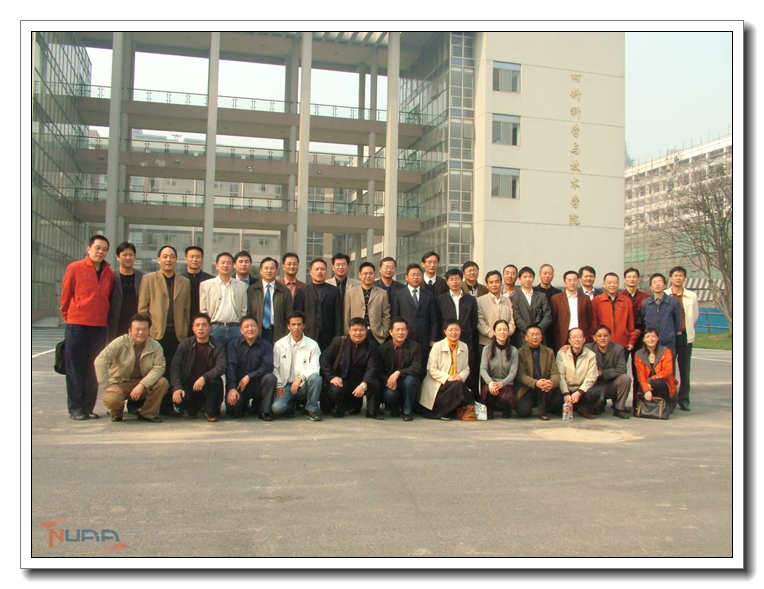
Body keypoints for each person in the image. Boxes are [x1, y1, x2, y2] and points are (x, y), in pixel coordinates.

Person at [60, 235, 115, 420]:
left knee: (93, 368)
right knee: (75, 368)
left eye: (104, 249)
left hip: (99, 327)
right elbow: (65, 296)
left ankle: (88, 407)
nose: (101, 252)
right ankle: (76, 408)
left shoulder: (108, 272)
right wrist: (70, 317)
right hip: (77, 325)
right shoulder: (75, 268)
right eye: (97, 248)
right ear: (89, 248)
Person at [138, 245, 191, 416]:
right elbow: (143, 309)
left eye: (172, 256)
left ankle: (168, 407)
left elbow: (187, 310)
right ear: (159, 259)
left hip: (177, 334)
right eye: (165, 256)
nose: (168, 260)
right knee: (153, 370)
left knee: (173, 370)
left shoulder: (184, 282)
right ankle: (148, 406)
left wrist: (185, 329)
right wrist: (146, 331)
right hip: (156, 333)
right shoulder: (149, 279)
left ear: (176, 260)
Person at [95, 314, 169, 423]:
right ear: (130, 331)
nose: (141, 332)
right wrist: (106, 385)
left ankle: (147, 413)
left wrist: (142, 384)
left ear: (149, 331)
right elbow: (100, 361)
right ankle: (116, 413)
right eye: (137, 329)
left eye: (144, 329)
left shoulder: (155, 345)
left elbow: (159, 368)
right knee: (112, 400)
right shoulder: (120, 342)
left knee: (162, 383)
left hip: (143, 382)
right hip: (121, 382)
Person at [320, 317, 383, 419]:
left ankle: (372, 412)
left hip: (360, 380)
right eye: (354, 330)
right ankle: (340, 409)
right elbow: (324, 359)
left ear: (366, 331)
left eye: (361, 330)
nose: (358, 333)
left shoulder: (372, 345)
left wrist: (364, 385)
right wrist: (332, 377)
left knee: (375, 383)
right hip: (342, 379)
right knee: (336, 389)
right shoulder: (338, 342)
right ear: (349, 330)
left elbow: (372, 368)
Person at [169, 313, 227, 422]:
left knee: (216, 384)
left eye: (204, 325)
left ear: (210, 327)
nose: (201, 328)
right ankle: (192, 410)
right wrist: (176, 387)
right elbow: (175, 367)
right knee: (187, 406)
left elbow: (222, 366)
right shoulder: (185, 344)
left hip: (209, 383)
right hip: (189, 383)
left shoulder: (217, 345)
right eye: (197, 325)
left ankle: (209, 412)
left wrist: (205, 377)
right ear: (193, 328)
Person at [418, 320, 476, 421]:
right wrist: (448, 378)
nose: (454, 332)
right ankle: (470, 406)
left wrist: (461, 376)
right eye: (450, 330)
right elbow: (431, 369)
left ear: (461, 331)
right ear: (445, 331)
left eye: (457, 330)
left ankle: (464, 409)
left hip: (456, 382)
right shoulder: (437, 346)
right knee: (459, 387)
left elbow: (466, 368)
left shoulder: (464, 346)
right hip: (439, 384)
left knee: (459, 385)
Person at [271, 311, 323, 421]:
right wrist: (279, 385)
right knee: (277, 408)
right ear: (288, 326)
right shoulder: (279, 345)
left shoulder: (312, 345)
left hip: (303, 385)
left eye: (299, 324)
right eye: (293, 324)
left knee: (316, 378)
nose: (296, 327)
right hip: (285, 385)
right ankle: (290, 405)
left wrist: (300, 379)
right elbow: (275, 368)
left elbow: (314, 368)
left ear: (304, 325)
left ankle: (311, 409)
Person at [225, 316, 277, 420]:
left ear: (258, 328)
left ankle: (264, 411)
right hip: (239, 386)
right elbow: (230, 368)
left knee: (271, 378)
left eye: (253, 326)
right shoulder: (233, 345)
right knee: (234, 409)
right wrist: (232, 388)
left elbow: (268, 366)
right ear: (241, 330)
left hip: (257, 384)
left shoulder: (266, 345)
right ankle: (243, 404)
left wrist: (249, 376)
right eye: (246, 326)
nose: (250, 329)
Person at [392, 263, 437, 375]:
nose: (416, 277)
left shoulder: (429, 295)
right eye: (413, 275)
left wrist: (433, 337)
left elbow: (434, 319)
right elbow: (395, 317)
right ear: (406, 277)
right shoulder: (399, 294)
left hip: (424, 338)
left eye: (418, 275)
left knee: (424, 368)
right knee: (406, 366)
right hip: (406, 337)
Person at [376, 317, 422, 421]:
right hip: (390, 383)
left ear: (407, 331)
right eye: (397, 330)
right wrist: (388, 381)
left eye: (403, 330)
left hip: (406, 381)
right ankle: (394, 408)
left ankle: (407, 412)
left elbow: (416, 368)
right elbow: (379, 370)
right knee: (389, 394)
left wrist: (398, 372)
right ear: (391, 332)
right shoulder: (382, 348)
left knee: (410, 380)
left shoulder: (415, 347)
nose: (400, 333)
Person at [293, 258, 343, 351]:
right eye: (316, 269)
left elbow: (338, 316)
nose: (319, 272)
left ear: (326, 271)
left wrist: (338, 337)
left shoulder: (334, 291)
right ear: (311, 272)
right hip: (308, 335)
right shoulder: (302, 291)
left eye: (322, 269)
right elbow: (298, 315)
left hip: (329, 337)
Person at [514, 324, 563, 421]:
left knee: (558, 401)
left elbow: (555, 373)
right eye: (532, 335)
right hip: (528, 387)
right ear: (526, 337)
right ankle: (534, 405)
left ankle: (544, 410)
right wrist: (536, 383)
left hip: (545, 387)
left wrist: (551, 382)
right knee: (523, 411)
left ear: (541, 337)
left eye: (537, 334)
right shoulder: (520, 352)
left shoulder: (549, 352)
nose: (535, 337)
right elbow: (521, 375)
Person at [200, 252, 248, 347]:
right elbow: (203, 309)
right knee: (214, 354)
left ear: (233, 266)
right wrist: (208, 326)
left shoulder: (241, 286)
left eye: (228, 263)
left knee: (235, 354)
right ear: (217, 266)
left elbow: (244, 309)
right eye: (222, 263)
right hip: (215, 328)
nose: (225, 265)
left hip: (235, 329)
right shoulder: (206, 285)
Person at [669, 266, 700, 412]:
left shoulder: (691, 296)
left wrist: (686, 328)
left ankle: (684, 399)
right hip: (670, 337)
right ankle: (671, 399)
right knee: (669, 370)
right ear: (670, 278)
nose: (678, 278)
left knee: (685, 370)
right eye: (675, 275)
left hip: (685, 337)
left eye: (681, 275)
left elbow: (695, 315)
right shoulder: (665, 294)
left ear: (685, 278)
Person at [586, 325, 632, 419]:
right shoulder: (588, 348)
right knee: (596, 409)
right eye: (599, 336)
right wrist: (566, 347)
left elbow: (622, 369)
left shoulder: (618, 349)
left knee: (625, 378)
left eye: (605, 335)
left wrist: (602, 373)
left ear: (610, 337)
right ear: (594, 338)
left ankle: (619, 408)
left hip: (611, 385)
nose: (602, 338)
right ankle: (597, 404)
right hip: (594, 385)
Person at [248, 256, 293, 345]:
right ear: (261, 271)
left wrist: (286, 334)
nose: (269, 271)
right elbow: (249, 313)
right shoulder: (252, 290)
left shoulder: (284, 291)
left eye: (272, 268)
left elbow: (289, 315)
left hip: (277, 332)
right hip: (257, 331)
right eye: (266, 268)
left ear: (277, 271)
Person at [556, 327, 599, 419]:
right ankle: (571, 406)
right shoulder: (561, 354)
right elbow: (560, 375)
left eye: (579, 337)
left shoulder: (591, 355)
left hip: (581, 389)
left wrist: (579, 392)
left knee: (595, 393)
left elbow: (591, 377)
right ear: (569, 340)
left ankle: (583, 408)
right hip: (566, 388)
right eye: (574, 337)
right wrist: (566, 393)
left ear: (584, 339)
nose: (577, 339)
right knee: (555, 400)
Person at [622, 267, 651, 400]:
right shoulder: (620, 296)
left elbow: (648, 318)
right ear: (624, 280)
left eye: (634, 277)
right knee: (621, 371)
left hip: (640, 339)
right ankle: (618, 402)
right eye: (629, 277)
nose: (632, 279)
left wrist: (641, 330)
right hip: (624, 339)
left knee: (639, 371)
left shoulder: (645, 297)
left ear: (638, 279)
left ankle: (637, 401)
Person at [344, 261, 391, 345]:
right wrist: (348, 333)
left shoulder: (382, 293)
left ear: (375, 275)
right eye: (365, 273)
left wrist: (384, 332)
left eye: (371, 273)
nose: (368, 276)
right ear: (360, 275)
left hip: (376, 334)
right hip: (356, 333)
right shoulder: (350, 293)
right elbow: (346, 315)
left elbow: (386, 315)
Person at [479, 319, 518, 419]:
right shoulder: (487, 349)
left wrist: (502, 383)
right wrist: (490, 382)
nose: (502, 332)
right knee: (490, 394)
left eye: (505, 330)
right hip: (491, 383)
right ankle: (490, 410)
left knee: (504, 402)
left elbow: (513, 372)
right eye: (499, 330)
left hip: (506, 384)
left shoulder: (513, 350)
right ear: (494, 332)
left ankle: (505, 409)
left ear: (508, 332)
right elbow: (483, 369)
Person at [107, 242, 144, 342]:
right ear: (117, 257)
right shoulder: (110, 277)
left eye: (131, 255)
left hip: (137, 324)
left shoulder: (143, 277)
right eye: (124, 255)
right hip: (115, 324)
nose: (128, 258)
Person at [633, 327, 678, 412]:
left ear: (658, 338)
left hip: (663, 386)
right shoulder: (638, 355)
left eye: (653, 336)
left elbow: (668, 371)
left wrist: (651, 380)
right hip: (647, 387)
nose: (651, 339)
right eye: (648, 337)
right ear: (644, 339)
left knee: (657, 382)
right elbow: (641, 377)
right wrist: (646, 390)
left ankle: (663, 405)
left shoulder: (666, 351)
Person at [591, 272, 638, 352]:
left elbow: (630, 324)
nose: (612, 285)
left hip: (622, 344)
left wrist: (631, 341)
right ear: (604, 284)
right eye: (609, 283)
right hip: (602, 344)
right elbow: (594, 325)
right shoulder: (597, 301)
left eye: (615, 282)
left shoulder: (626, 301)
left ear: (618, 284)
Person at [641, 273, 682, 359]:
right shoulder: (645, 303)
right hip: (651, 344)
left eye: (660, 282)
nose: (657, 284)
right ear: (651, 286)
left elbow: (677, 323)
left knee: (668, 366)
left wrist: (669, 335)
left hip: (668, 344)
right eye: (654, 282)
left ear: (665, 285)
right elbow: (643, 322)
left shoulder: (674, 302)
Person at [550, 270, 593, 352]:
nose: (572, 283)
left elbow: (589, 318)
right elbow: (553, 320)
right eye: (569, 280)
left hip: (580, 334)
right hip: (563, 335)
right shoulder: (556, 298)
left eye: (575, 280)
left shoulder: (585, 298)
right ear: (564, 282)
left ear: (578, 282)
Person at [512, 266, 552, 349]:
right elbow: (517, 317)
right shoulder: (514, 298)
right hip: (522, 337)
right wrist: (529, 331)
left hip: (540, 337)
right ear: (519, 279)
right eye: (525, 277)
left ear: (533, 278)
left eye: (530, 277)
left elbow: (547, 315)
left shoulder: (541, 296)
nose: (528, 279)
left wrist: (537, 331)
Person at [477, 270, 515, 348]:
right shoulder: (480, 301)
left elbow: (512, 320)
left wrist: (506, 333)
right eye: (491, 282)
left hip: (505, 342)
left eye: (497, 282)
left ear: (501, 283)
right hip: (486, 342)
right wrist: (493, 334)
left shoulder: (508, 300)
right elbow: (480, 322)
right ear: (487, 285)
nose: (494, 285)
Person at [182, 245, 214, 333]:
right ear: (186, 259)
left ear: (202, 259)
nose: (195, 260)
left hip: (205, 323)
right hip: (184, 323)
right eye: (192, 257)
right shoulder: (179, 279)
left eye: (198, 257)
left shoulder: (211, 280)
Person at [534, 263, 561, 348]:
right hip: (537, 327)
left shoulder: (558, 293)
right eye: (545, 273)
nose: (547, 276)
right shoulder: (533, 292)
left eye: (550, 273)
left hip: (553, 330)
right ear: (539, 275)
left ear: (553, 275)